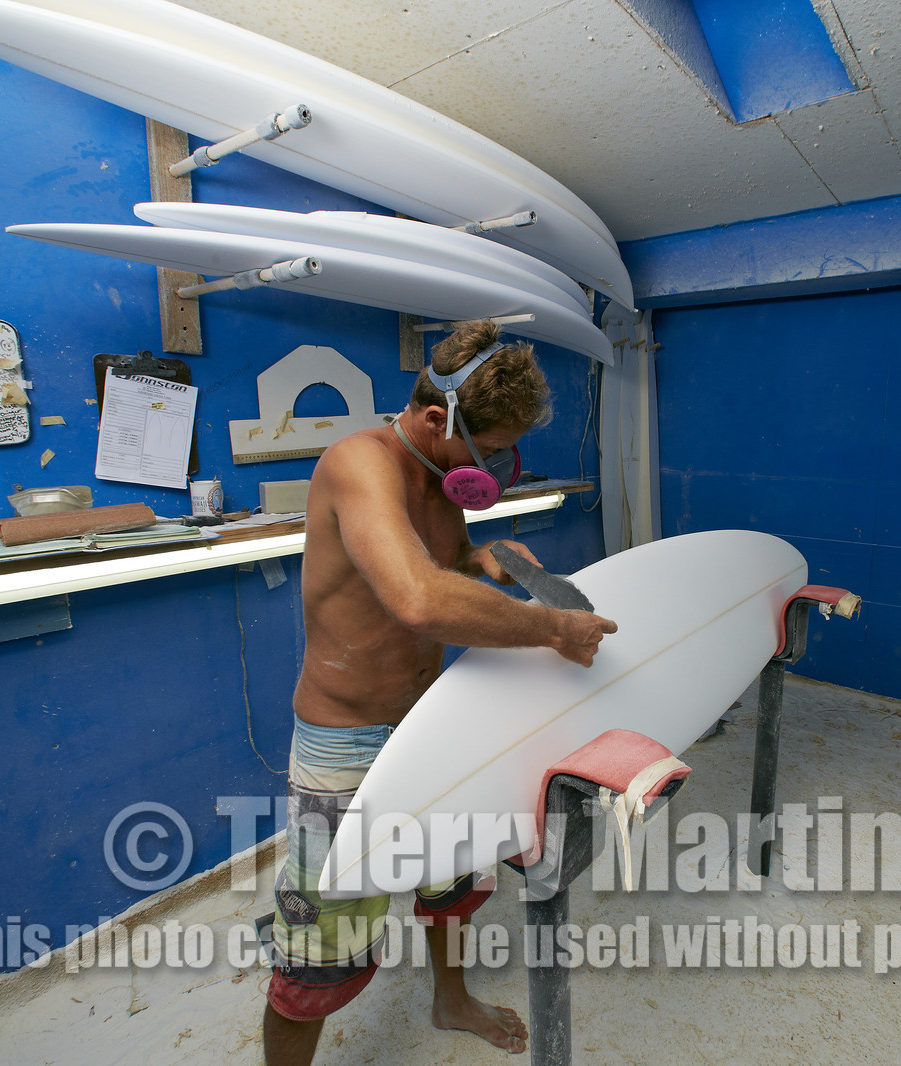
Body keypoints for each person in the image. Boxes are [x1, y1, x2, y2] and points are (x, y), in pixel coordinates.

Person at [263, 320, 618, 1064]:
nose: (496, 465)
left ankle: (449, 999)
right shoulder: (359, 464)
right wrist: (549, 625)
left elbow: (439, 559)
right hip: (347, 740)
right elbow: (418, 598)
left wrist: (476, 555)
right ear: (436, 418)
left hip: (433, 722)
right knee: (318, 945)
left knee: (448, 882)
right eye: (489, 449)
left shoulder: (434, 475)